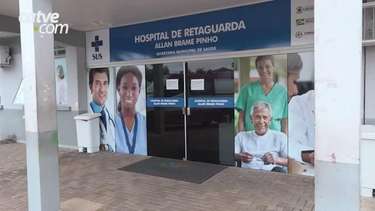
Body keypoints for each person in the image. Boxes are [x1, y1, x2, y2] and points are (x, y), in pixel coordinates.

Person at [236, 55, 288, 134]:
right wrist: (242, 140)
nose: (264, 70)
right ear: (257, 69)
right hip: (251, 140)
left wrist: (284, 141)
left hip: (275, 141)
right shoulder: (247, 90)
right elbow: (240, 120)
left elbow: (285, 121)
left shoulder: (282, 92)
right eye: (260, 67)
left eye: (267, 66)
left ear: (273, 67)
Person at [235, 101, 288, 172]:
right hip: (247, 175)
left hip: (273, 176)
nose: (261, 121)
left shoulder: (280, 137)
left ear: (270, 120)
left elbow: (290, 162)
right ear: (251, 119)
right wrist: (240, 156)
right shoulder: (241, 136)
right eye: (257, 117)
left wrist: (275, 159)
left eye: (265, 117)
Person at [287, 53, 315, 166]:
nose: (295, 91)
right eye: (294, 82)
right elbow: (292, 144)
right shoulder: (300, 103)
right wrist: (309, 156)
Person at [115, 66, 147, 155]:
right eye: (125, 87)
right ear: (118, 89)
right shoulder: (112, 123)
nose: (129, 93)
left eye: (133, 88)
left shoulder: (145, 123)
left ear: (139, 91)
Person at [89, 68, 116, 152]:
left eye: (105, 83)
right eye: (97, 84)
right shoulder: (86, 116)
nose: (102, 89)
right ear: (91, 87)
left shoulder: (111, 117)